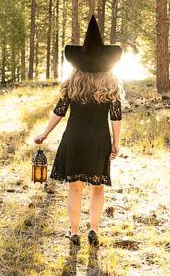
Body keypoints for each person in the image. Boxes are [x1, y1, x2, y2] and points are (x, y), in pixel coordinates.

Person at [33, 15, 123, 248]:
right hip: (99, 140)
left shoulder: (73, 81)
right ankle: (93, 229)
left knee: (74, 188)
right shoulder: (111, 83)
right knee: (97, 187)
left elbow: (59, 111)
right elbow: (115, 116)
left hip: (74, 139)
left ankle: (74, 232)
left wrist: (45, 133)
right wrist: (116, 143)